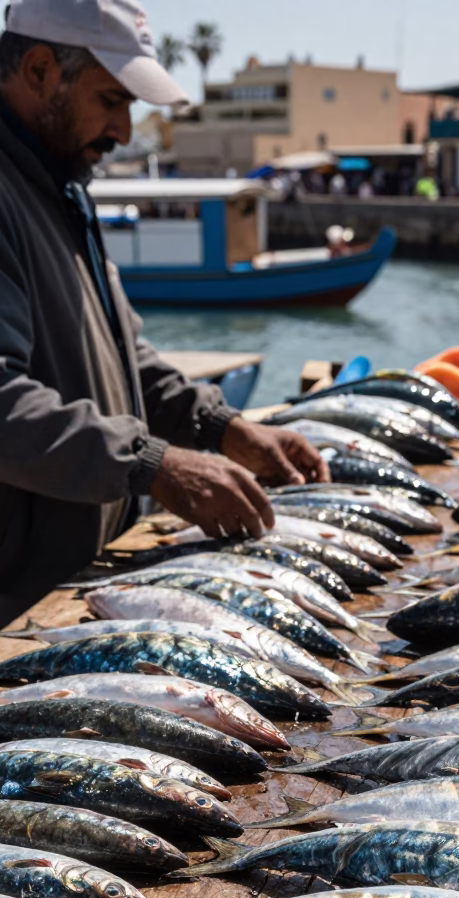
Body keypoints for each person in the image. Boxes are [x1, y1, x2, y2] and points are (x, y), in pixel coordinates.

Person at [0, 0, 329, 628]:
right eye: (112, 100)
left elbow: (121, 354)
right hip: (18, 605)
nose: (124, 132)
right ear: (40, 69)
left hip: (78, 585)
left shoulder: (60, 181)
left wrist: (219, 425)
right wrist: (153, 464)